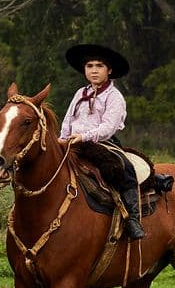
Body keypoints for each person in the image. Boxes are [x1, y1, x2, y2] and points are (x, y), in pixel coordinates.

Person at [58, 43, 145, 240]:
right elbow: (68, 120)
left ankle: (132, 219)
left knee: (124, 168)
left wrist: (84, 136)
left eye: (99, 66)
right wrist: (62, 140)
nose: (94, 70)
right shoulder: (80, 93)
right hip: (73, 143)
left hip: (101, 144)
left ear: (109, 70)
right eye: (90, 66)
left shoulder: (114, 97)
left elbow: (108, 127)